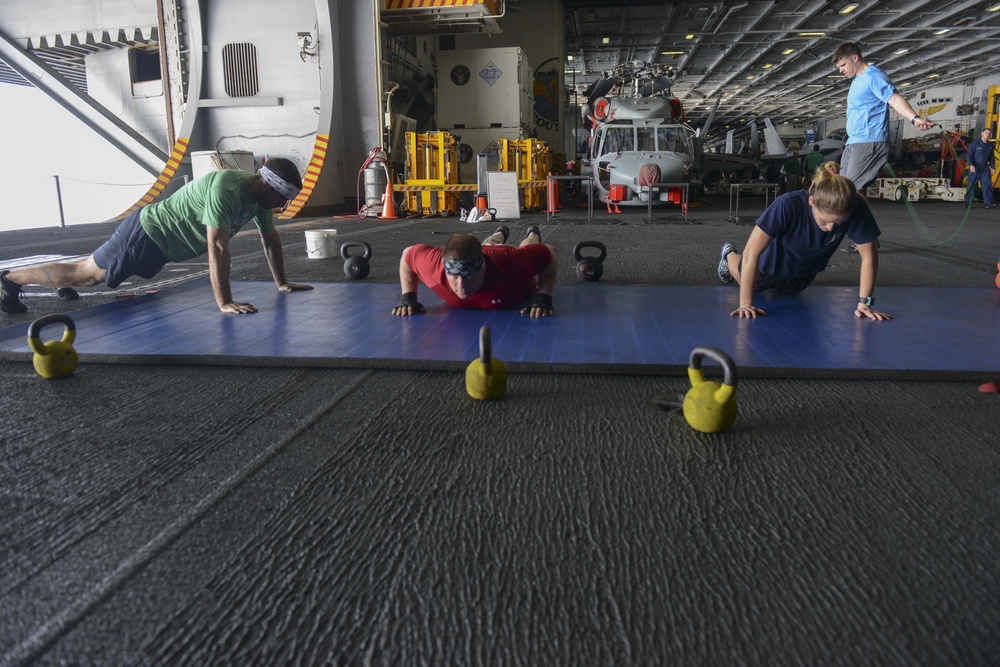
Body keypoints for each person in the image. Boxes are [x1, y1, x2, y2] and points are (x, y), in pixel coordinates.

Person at [1, 158, 312, 315]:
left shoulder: (259, 199)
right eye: (281, 199)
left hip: (160, 244)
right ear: (268, 187)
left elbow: (270, 239)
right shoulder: (226, 189)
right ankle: (11, 279)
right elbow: (217, 246)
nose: (282, 207)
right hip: (147, 233)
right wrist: (225, 302)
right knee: (87, 276)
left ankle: (59, 281)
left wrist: (281, 282)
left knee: (87, 268)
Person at [717, 162, 891, 321]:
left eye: (838, 223)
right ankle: (729, 254)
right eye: (824, 221)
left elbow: (870, 257)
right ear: (811, 201)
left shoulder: (855, 205)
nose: (831, 228)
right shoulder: (787, 204)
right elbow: (751, 254)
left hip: (802, 276)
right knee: (752, 283)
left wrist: (865, 303)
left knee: (789, 292)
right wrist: (745, 303)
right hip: (766, 266)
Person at [831, 42, 935, 193]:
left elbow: (894, 99)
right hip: (854, 141)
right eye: (839, 67)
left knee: (851, 191)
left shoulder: (873, 76)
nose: (841, 70)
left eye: (843, 65)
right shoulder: (857, 81)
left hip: (869, 139)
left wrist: (915, 118)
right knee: (843, 189)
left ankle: (856, 217)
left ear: (855, 58)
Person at [392, 225, 557, 317]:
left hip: (501, 254)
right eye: (454, 277)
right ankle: (499, 232)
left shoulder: (511, 263)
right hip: (485, 249)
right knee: (490, 243)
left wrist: (543, 297)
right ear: (445, 269)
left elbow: (550, 253)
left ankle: (533, 232)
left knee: (529, 244)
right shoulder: (433, 264)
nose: (461, 285)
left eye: (469, 276)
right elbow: (407, 255)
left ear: (483, 268)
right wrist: (409, 297)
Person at [965, 128, 996, 209]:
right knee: (972, 185)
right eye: (986, 133)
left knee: (987, 184)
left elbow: (991, 158)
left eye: (989, 133)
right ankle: (968, 202)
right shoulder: (975, 143)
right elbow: (969, 155)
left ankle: (988, 202)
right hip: (975, 167)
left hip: (985, 168)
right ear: (982, 133)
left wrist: (993, 167)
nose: (987, 135)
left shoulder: (990, 145)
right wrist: (971, 165)